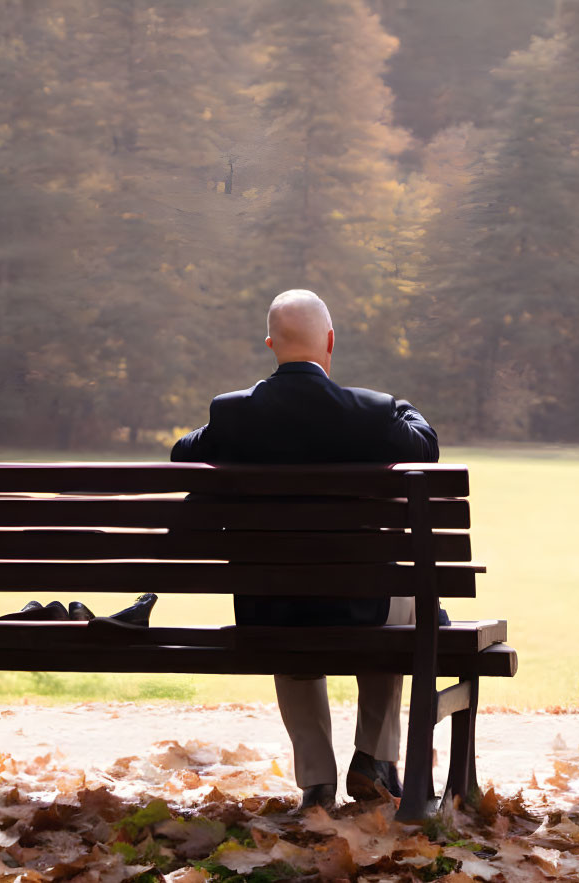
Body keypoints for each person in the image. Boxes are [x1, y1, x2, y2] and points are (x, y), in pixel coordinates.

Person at [171, 289, 439, 811]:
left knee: (285, 594)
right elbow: (424, 444)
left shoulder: (232, 415)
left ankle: (317, 779)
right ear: (331, 342)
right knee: (401, 599)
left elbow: (184, 453)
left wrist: (234, 424)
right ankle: (376, 759)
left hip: (272, 608)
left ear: (271, 344)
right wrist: (397, 406)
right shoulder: (371, 413)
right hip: (361, 606)